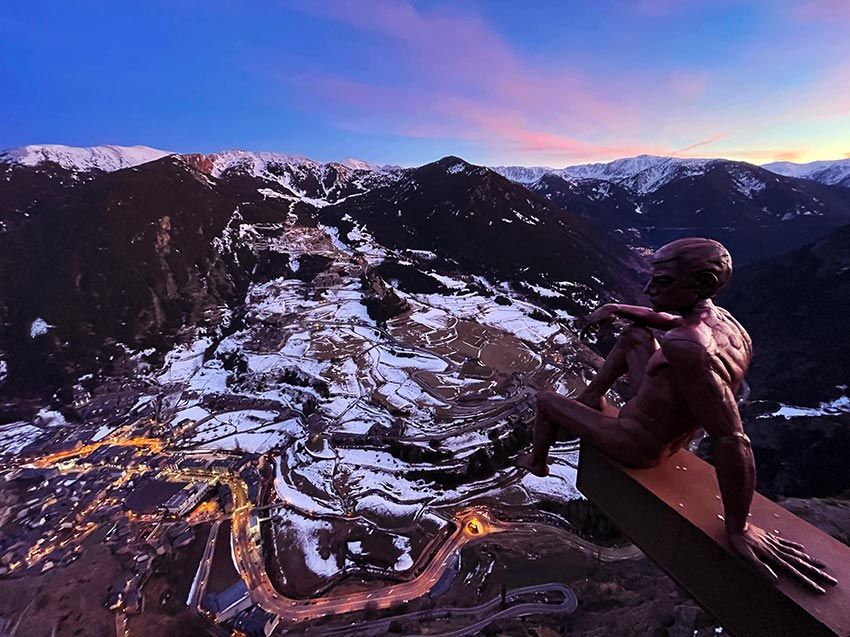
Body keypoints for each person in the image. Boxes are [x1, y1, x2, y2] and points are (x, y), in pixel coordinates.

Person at [517, 237, 837, 593]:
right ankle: (593, 397)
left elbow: (732, 437)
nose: (649, 288)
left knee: (547, 401)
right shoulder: (728, 325)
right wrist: (618, 308)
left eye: (663, 281)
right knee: (636, 335)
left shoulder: (687, 347)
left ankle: (537, 461)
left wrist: (739, 527)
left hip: (640, 441)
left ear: (701, 284)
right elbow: (668, 319)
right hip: (660, 418)